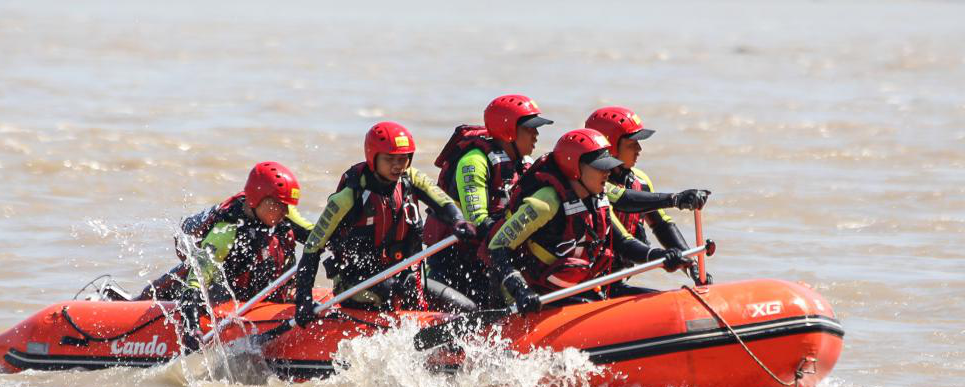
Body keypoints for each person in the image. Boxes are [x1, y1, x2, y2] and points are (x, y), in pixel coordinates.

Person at [481, 128, 709, 313]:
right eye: (600, 168)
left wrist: (662, 257)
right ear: (575, 169)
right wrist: (520, 291)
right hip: (528, 297)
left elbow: (625, 244)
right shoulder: (544, 203)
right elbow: (497, 248)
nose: (607, 174)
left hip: (570, 291)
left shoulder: (598, 198)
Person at [293, 121, 472, 328]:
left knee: (465, 307)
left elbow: (443, 203)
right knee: (398, 289)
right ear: (373, 157)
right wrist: (303, 301)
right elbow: (312, 249)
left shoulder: (410, 178)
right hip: (355, 284)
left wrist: (459, 221)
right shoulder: (348, 197)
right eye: (389, 159)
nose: (398, 165)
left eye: (403, 158)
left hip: (404, 278)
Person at [423, 94, 553, 306]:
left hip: (491, 257)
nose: (536, 134)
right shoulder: (473, 162)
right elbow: (478, 219)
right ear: (509, 131)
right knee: (473, 308)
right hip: (454, 260)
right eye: (530, 128)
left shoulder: (522, 162)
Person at [175, 161, 311, 349]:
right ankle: (132, 303)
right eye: (278, 205)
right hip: (219, 285)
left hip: (261, 296)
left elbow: (319, 236)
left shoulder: (283, 215)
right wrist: (192, 327)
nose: (285, 212)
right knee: (174, 280)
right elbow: (195, 281)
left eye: (287, 206)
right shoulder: (226, 232)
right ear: (256, 199)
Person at [585, 106, 712, 292]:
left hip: (615, 282)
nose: (639, 149)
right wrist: (675, 199)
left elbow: (662, 226)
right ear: (610, 148)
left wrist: (690, 266)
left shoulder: (640, 182)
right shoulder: (592, 185)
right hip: (585, 285)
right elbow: (623, 202)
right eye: (632, 143)